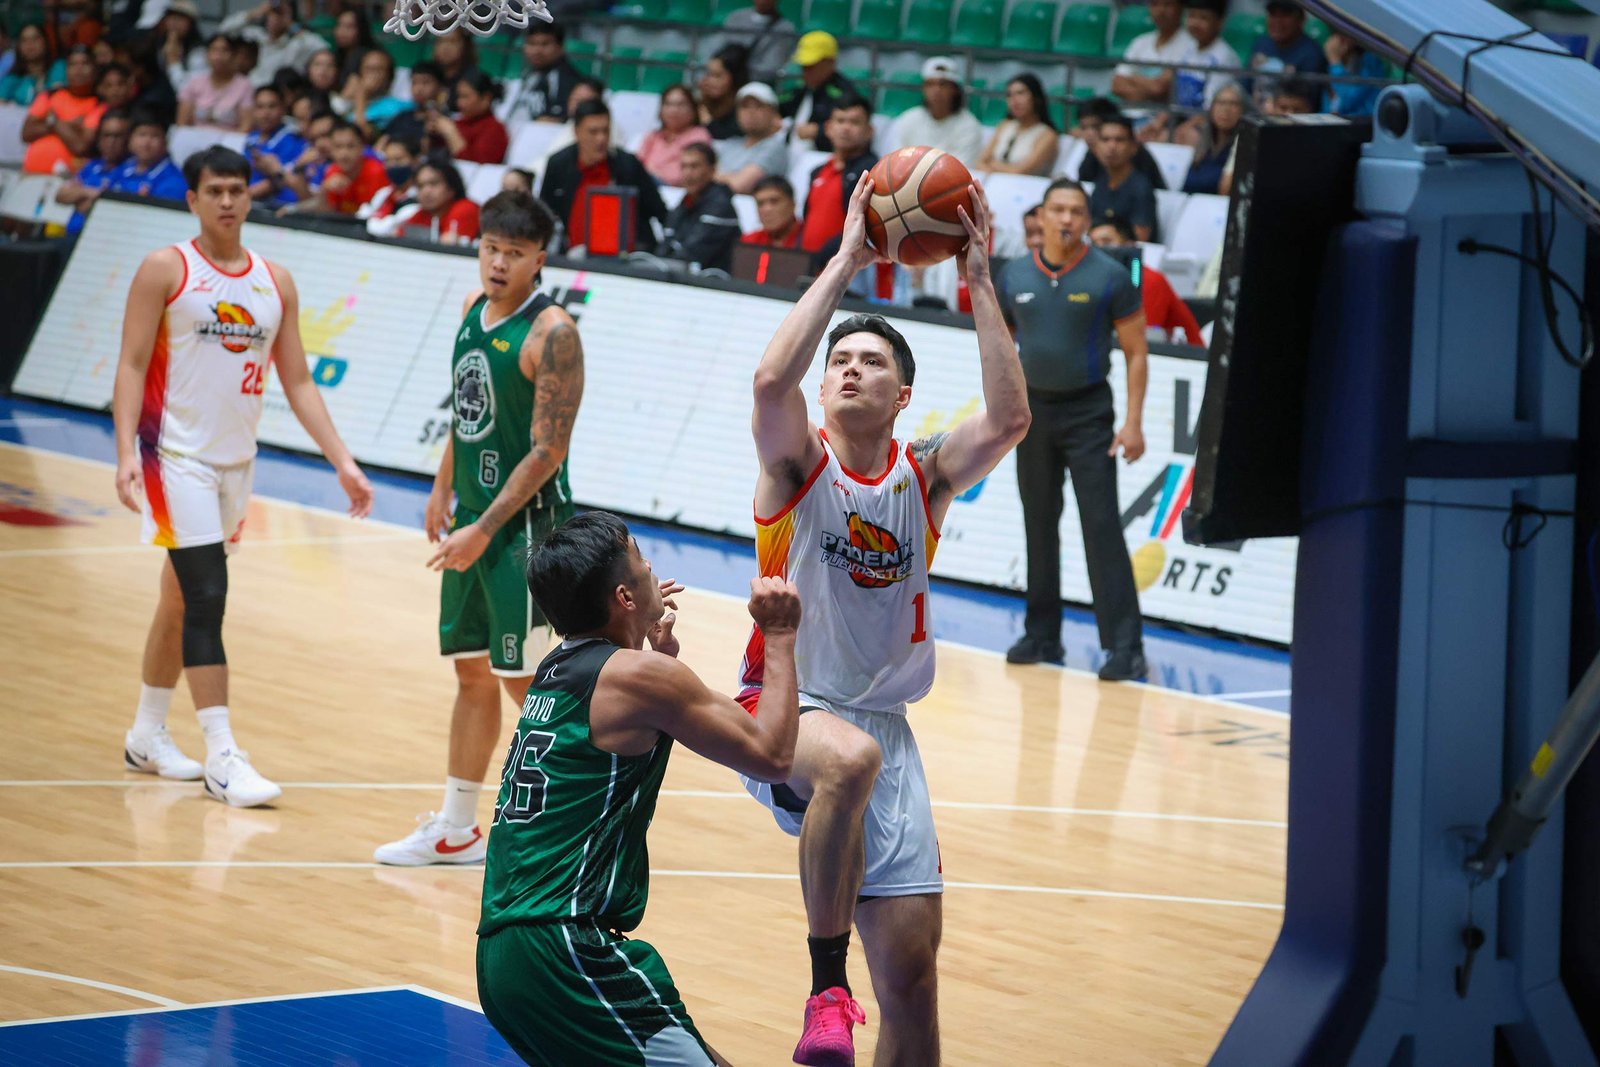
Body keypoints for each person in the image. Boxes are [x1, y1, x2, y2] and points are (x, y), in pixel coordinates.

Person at [744, 171, 1029, 1066]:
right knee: (848, 758)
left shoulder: (926, 476)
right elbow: (765, 380)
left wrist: (980, 279)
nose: (850, 368)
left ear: (904, 396)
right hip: (786, 705)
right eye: (840, 360)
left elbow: (1013, 415)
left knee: (911, 981)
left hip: (886, 729)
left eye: (871, 361)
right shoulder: (797, 467)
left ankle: (863, 997)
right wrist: (844, 260)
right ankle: (825, 988)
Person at [476, 513, 804, 1067]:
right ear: (624, 597)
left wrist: (656, 659)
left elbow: (618, 735)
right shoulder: (638, 679)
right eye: (640, 557)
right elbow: (772, 754)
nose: (653, 565)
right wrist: (779, 634)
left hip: (505, 953)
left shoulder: (558, 668)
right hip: (566, 948)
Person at [111, 145, 372, 807]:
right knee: (207, 596)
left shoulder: (274, 281)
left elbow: (300, 380)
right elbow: (132, 364)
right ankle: (223, 755)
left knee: (177, 596)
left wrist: (342, 460)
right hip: (174, 457)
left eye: (237, 189)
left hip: (235, 463)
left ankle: (145, 732)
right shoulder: (166, 269)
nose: (227, 201)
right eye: (214, 190)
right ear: (192, 200)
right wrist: (123, 454)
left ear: (250, 198)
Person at [373, 190, 584, 866]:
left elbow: (547, 449)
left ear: (539, 259)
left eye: (514, 254)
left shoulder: (553, 333)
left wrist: (484, 529)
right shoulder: (470, 308)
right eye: (491, 248)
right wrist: (442, 489)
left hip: (525, 530)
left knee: (530, 686)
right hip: (471, 517)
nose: (498, 263)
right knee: (470, 675)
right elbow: (469, 413)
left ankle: (574, 825)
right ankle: (458, 827)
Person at [997, 178, 1149, 680]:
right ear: (1040, 216)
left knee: (1101, 525)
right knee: (1037, 521)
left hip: (1089, 414)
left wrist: (1133, 423)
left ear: (1086, 219)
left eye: (1077, 212)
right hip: (1032, 413)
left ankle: (1124, 647)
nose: (1067, 219)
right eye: (1058, 210)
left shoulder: (1110, 275)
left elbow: (1136, 352)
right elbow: (1000, 348)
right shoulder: (1014, 273)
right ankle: (1043, 635)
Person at [538, 98, 667, 254]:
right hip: (573, 255)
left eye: (605, 131)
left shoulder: (628, 165)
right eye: (593, 132)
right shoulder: (558, 164)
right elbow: (544, 216)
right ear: (576, 132)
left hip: (627, 257)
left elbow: (660, 211)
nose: (601, 139)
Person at [1090, 215, 1203, 344]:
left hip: (1185, 358)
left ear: (1130, 245)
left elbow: (1142, 337)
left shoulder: (1149, 280)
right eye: (1094, 244)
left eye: (1106, 242)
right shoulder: (1098, 280)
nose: (1099, 249)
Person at [799, 93, 875, 253]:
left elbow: (867, 227)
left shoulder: (875, 172)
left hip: (850, 269)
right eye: (840, 120)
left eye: (854, 122)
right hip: (809, 269)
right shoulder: (817, 171)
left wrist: (825, 256)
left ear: (869, 131)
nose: (846, 128)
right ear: (828, 128)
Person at [654, 142, 739, 271]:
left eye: (694, 166)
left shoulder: (721, 206)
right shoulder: (684, 203)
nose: (688, 173)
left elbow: (693, 253)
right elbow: (666, 244)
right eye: (684, 166)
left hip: (715, 283)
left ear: (712, 170)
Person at [21, 46, 103, 174]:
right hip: (31, 174)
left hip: (70, 181)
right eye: (73, 64)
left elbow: (80, 146)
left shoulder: (100, 105)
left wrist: (52, 121)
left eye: (84, 63)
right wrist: (70, 126)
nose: (78, 69)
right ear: (66, 69)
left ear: (94, 69)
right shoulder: (50, 95)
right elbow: (26, 133)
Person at [891, 56, 984, 169]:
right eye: (931, 84)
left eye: (943, 84)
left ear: (954, 90)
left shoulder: (969, 126)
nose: (937, 90)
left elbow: (960, 169)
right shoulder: (909, 118)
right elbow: (896, 160)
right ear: (923, 88)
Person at [217, 0, 325, 88]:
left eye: (280, 14)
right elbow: (223, 30)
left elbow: (321, 46)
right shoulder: (255, 35)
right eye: (272, 13)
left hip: (278, 95)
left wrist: (290, 24)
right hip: (250, 90)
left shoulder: (295, 44)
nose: (275, 18)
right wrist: (256, 12)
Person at [56, 106, 131, 232]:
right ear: (99, 138)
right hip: (70, 235)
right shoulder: (92, 166)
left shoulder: (131, 170)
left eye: (117, 136)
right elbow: (61, 195)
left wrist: (79, 194)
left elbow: (107, 209)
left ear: (128, 138)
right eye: (107, 135)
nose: (111, 142)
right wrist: (90, 193)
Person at [1086, 114, 1159, 242]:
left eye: (1119, 140)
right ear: (1096, 146)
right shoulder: (1101, 181)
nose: (1112, 146)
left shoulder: (1141, 188)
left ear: (1134, 147)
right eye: (1105, 139)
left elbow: (1139, 239)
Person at [780, 32, 857, 152]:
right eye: (803, 66)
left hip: (824, 156)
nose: (805, 72)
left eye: (811, 66)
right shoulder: (801, 89)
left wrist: (819, 131)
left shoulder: (843, 93)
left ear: (830, 62)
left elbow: (854, 127)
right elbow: (781, 107)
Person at [975, 73, 1059, 177]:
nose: (1014, 100)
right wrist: (1000, 169)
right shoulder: (1004, 125)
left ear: (1036, 97)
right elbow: (980, 162)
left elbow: (1020, 171)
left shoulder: (1047, 135)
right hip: (995, 185)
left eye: (1020, 93)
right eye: (1009, 95)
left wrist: (993, 164)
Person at [499, 22, 583, 124]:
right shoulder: (528, 75)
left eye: (545, 44)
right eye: (531, 43)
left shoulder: (567, 79)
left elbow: (565, 118)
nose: (537, 51)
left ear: (560, 47)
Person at [1111, 0, 1193, 104]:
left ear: (1181, 9)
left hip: (1163, 117)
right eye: (1155, 4)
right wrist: (1150, 93)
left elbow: (1158, 89)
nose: (1160, 11)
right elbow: (1116, 85)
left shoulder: (1191, 46)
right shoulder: (1140, 42)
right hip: (1127, 114)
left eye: (1167, 5)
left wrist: (1132, 77)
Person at [712, 81, 788, 194]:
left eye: (759, 106)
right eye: (744, 106)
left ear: (773, 112)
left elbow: (739, 185)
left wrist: (717, 177)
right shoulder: (731, 144)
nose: (751, 112)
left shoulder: (775, 147)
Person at [634, 83, 712, 187]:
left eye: (681, 104)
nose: (674, 110)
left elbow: (690, 173)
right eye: (668, 104)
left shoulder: (699, 135)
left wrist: (655, 174)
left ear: (693, 109)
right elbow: (636, 166)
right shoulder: (652, 136)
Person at [243, 83, 306, 208]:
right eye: (260, 107)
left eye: (272, 106)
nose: (265, 113)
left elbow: (276, 182)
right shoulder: (250, 138)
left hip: (278, 207)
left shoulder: (292, 139)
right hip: (249, 203)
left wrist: (239, 197)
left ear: (283, 109)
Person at [1175, 81, 1243, 193]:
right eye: (1221, 103)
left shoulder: (1242, 148)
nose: (1226, 110)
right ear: (1212, 108)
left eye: (1233, 104)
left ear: (1242, 111)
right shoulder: (1201, 143)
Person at [106, 109, 188, 202]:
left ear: (165, 142)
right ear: (130, 139)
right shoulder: (122, 168)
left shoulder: (175, 181)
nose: (146, 143)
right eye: (142, 134)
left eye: (154, 136)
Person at [429, 69, 508, 164]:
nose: (459, 103)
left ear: (485, 98)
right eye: (458, 97)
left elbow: (476, 165)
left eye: (465, 97)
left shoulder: (495, 129)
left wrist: (451, 133)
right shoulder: (459, 123)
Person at [1173, 0, 1240, 111]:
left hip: (1207, 124)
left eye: (1203, 18)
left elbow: (1211, 110)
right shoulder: (1187, 48)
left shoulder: (1223, 57)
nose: (1195, 23)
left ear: (1219, 22)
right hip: (1181, 119)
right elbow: (1176, 100)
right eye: (1191, 16)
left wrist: (1179, 128)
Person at [1248, 0, 1328, 92]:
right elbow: (1245, 86)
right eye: (1273, 14)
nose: (1278, 21)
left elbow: (1307, 100)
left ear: (1301, 19)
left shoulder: (1312, 54)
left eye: (1285, 15)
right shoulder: (1262, 43)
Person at [176, 34, 252, 130]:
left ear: (234, 55)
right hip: (195, 140)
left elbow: (245, 126)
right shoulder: (193, 82)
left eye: (225, 50)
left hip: (229, 141)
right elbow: (182, 123)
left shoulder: (245, 85)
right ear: (207, 55)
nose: (218, 56)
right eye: (214, 50)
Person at [393, 159, 480, 243]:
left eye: (434, 183)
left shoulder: (465, 208)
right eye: (420, 186)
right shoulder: (423, 214)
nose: (426, 192)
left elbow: (448, 246)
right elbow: (398, 237)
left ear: (452, 187)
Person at [318, 117, 388, 214]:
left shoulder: (377, 172)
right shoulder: (331, 171)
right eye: (338, 146)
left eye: (350, 146)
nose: (344, 154)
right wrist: (324, 190)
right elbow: (326, 217)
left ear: (362, 147)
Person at [719, 0, 795, 84]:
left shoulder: (785, 28)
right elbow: (722, 51)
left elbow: (770, 67)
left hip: (758, 83)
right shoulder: (735, 17)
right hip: (729, 78)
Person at [343, 47, 409, 141]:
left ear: (389, 75)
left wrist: (361, 93)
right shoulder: (350, 105)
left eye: (379, 70)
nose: (373, 75)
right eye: (369, 69)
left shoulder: (397, 107)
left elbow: (361, 133)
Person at [1324, 30, 1386, 117]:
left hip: (1361, 124)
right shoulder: (1331, 65)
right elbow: (1328, 108)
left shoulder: (1370, 62)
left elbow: (1348, 101)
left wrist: (1335, 63)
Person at [0, 23, 65, 106]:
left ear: (45, 41)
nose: (30, 44)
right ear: (18, 47)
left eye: (35, 38)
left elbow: (57, 97)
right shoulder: (12, 78)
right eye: (24, 40)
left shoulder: (58, 67)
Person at [698, 43, 749, 141]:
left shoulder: (744, 106)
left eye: (717, 76)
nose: (709, 81)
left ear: (734, 78)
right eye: (708, 74)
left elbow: (732, 140)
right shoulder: (703, 101)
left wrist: (709, 122)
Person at [156, 0, 206, 88]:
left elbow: (186, 89)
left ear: (191, 24)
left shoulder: (199, 51)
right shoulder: (158, 41)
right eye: (171, 17)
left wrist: (172, 60)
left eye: (180, 18)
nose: (174, 22)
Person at [741, 173, 801, 247]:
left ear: (793, 204)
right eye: (760, 204)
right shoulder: (748, 242)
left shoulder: (810, 239)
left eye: (774, 201)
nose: (767, 209)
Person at [428, 28, 479, 112]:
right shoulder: (428, 74)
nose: (446, 47)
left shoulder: (473, 79)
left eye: (452, 41)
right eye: (441, 41)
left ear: (465, 46)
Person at [329, 7, 374, 84]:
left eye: (349, 27)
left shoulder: (369, 57)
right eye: (339, 25)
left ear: (361, 29)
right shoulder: (336, 56)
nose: (342, 31)